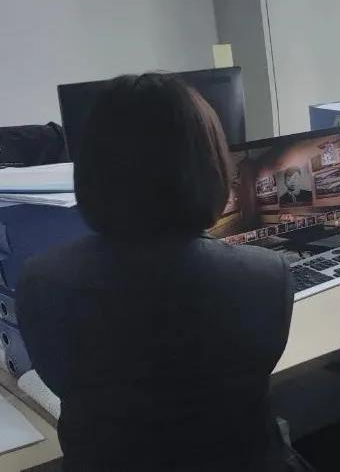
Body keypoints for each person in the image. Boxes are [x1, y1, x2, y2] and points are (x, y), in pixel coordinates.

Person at [17, 74, 296, 471]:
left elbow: (60, 381)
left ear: (91, 172)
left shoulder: (41, 282)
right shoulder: (266, 275)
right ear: (212, 167)